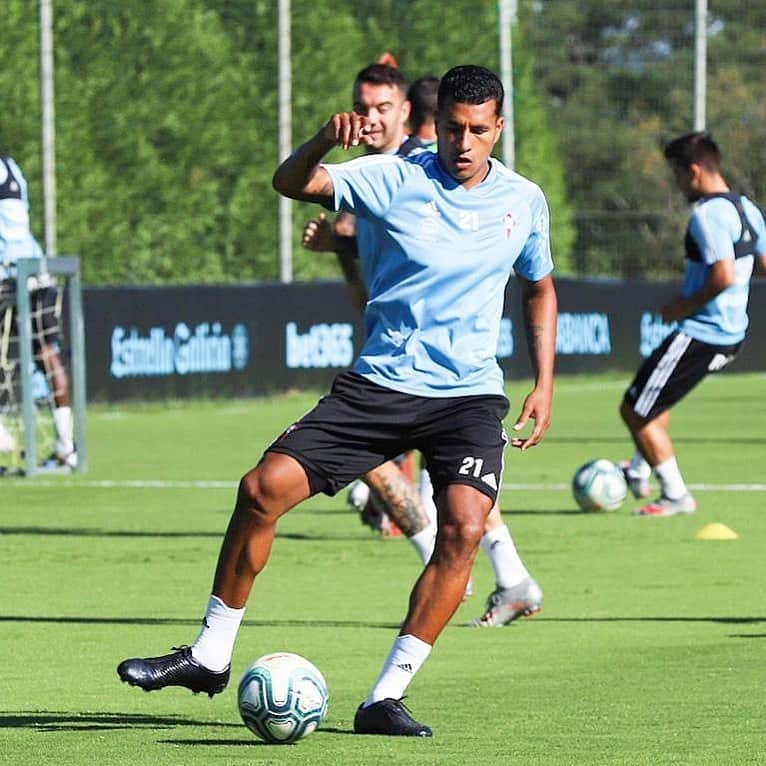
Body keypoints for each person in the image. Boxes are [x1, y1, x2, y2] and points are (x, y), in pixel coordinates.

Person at [117, 65, 558, 737]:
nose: (463, 143)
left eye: (476, 131)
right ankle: (209, 655)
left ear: (498, 128)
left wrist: (544, 382)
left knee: (465, 528)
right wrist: (324, 139)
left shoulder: (523, 200)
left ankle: (384, 697)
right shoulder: (393, 177)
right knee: (261, 488)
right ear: (433, 127)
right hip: (378, 387)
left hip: (468, 397)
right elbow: (291, 183)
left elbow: (540, 287)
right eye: (451, 129)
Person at [303, 66, 543, 624]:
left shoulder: (425, 168)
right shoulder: (370, 175)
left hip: (439, 364)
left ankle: (454, 573)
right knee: (451, 480)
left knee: (396, 471)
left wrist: (342, 241)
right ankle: (510, 576)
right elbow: (381, 270)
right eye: (363, 105)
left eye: (384, 106)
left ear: (408, 114)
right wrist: (339, 246)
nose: (372, 116)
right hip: (390, 350)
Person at [621, 132, 766, 517]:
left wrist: (681, 306)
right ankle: (638, 468)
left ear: (695, 171)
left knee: (634, 410)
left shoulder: (707, 215)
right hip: (731, 334)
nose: (677, 184)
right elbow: (763, 266)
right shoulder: (748, 209)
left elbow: (723, 275)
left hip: (704, 332)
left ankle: (675, 495)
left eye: (677, 175)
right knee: (657, 399)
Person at [0, 155, 77, 469]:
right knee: (46, 352)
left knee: (39, 353)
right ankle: (66, 445)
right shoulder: (11, 164)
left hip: (7, 269)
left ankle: (3, 436)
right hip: (35, 267)